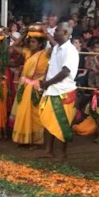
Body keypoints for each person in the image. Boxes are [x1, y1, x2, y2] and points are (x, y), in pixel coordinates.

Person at [39, 23, 80, 160]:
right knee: (47, 121)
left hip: (63, 91)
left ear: (66, 33)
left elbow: (65, 72)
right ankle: (47, 151)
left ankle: (62, 153)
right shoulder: (56, 48)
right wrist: (44, 82)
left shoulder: (70, 50)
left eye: (57, 30)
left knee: (62, 123)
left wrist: (47, 83)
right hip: (51, 90)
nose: (54, 32)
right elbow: (50, 68)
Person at [10, 28, 50, 147]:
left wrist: (46, 34)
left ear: (40, 44)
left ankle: (36, 141)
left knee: (34, 113)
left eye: (34, 42)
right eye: (30, 41)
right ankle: (23, 139)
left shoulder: (45, 53)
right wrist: (25, 34)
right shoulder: (27, 52)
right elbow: (14, 46)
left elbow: (57, 47)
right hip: (26, 85)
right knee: (22, 112)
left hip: (37, 86)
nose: (31, 44)